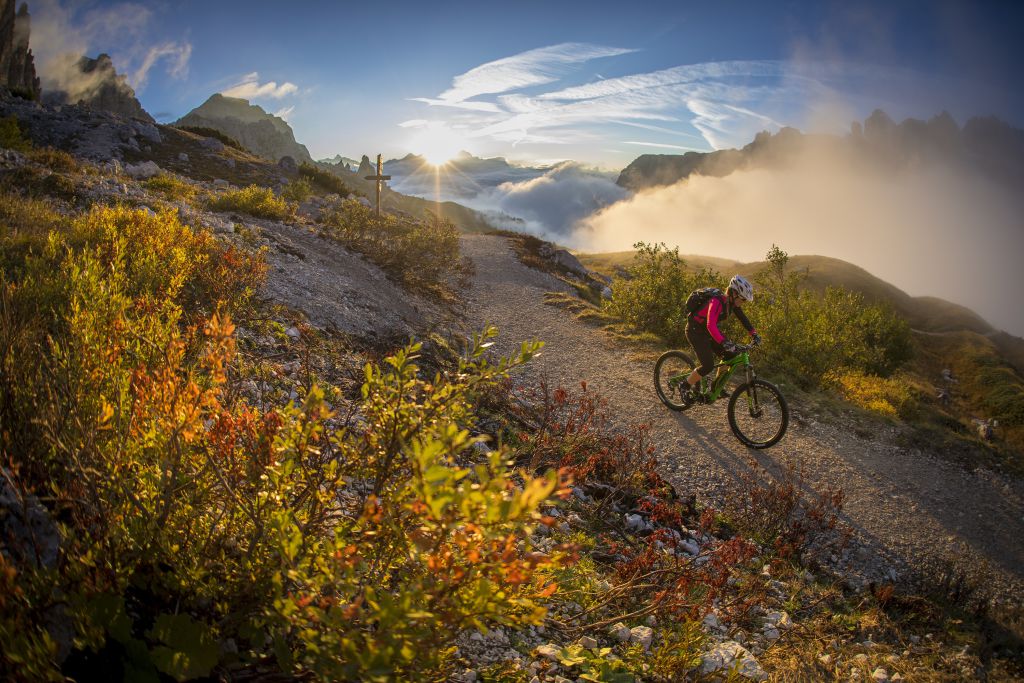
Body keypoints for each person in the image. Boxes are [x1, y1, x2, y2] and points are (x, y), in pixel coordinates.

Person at [683, 275, 761, 402]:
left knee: (730, 356)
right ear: (734, 293)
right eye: (743, 299)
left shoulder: (732, 304)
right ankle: (685, 385)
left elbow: (743, 318)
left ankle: (716, 386)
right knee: (707, 366)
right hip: (695, 331)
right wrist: (724, 342)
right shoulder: (716, 301)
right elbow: (710, 324)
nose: (743, 302)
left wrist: (754, 333)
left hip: (709, 332)